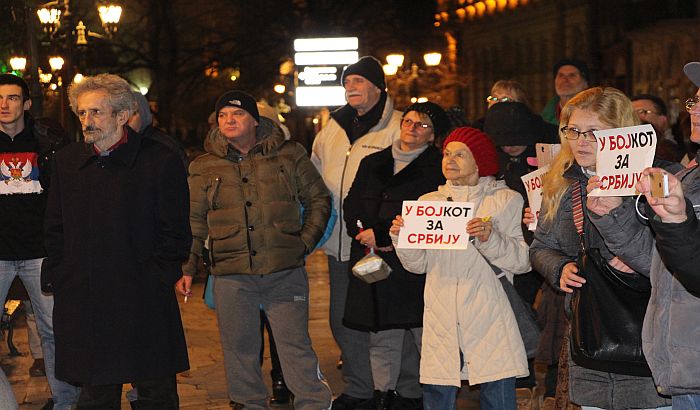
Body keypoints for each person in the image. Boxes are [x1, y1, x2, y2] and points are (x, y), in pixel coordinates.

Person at [41, 73, 192, 409]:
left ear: (122, 116)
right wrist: (64, 275)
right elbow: (55, 226)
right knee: (96, 395)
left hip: (144, 299)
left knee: (156, 391)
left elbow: (176, 231)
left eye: (97, 112)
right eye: (82, 113)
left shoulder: (159, 160)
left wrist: (156, 276)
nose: (87, 120)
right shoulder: (67, 162)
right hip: (88, 299)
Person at [185, 90, 332, 409]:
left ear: (255, 120)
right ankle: (248, 404)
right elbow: (195, 220)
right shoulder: (203, 166)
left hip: (284, 273)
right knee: (239, 350)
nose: (229, 120)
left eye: (236, 114)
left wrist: (303, 243)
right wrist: (188, 266)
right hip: (231, 276)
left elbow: (319, 199)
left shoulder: (289, 154)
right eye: (222, 115)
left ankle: (315, 403)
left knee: (295, 348)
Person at [528, 86, 672, 409]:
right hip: (588, 339)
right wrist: (558, 268)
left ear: (622, 135)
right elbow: (540, 247)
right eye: (574, 130)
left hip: (646, 337)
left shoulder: (659, 178)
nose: (580, 141)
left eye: (594, 133)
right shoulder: (561, 183)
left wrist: (619, 214)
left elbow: (672, 253)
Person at [583, 62, 700, 408]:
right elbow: (659, 263)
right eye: (694, 100)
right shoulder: (692, 178)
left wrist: (678, 221)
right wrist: (614, 214)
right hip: (680, 361)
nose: (694, 109)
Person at [391, 127, 530, 410]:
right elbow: (417, 266)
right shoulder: (429, 203)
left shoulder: (506, 201)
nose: (450, 159)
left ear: (479, 160)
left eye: (460, 154)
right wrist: (400, 237)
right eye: (447, 153)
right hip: (441, 315)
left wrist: (491, 239)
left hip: (489, 313)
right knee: (437, 393)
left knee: (498, 392)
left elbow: (523, 261)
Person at [342, 102, 449, 409]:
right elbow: (352, 203)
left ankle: (420, 394)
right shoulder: (373, 161)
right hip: (372, 257)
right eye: (409, 121)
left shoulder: (437, 166)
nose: (412, 127)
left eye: (422, 125)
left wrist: (387, 234)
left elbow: (435, 210)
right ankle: (384, 393)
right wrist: (361, 230)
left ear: (432, 137)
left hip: (413, 263)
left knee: (420, 328)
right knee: (381, 328)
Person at [311, 56, 402, 409]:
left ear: (378, 87)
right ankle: (360, 386)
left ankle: (395, 388)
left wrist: (383, 229)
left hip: (380, 244)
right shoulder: (332, 128)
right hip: (340, 245)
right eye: (347, 82)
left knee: (386, 318)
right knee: (342, 318)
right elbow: (316, 179)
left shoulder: (396, 126)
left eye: (359, 81)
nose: (350, 87)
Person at [0, 73, 80, 410]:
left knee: (53, 332)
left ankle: (67, 402)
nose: (4, 105)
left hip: (40, 253)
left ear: (27, 103)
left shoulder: (47, 143)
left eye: (12, 98)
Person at [483, 101, 558, 408]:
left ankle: (553, 383)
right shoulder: (493, 159)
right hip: (511, 249)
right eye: (504, 142)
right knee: (517, 316)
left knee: (554, 317)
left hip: (548, 244)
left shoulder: (549, 147)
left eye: (517, 140)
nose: (511, 147)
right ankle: (524, 379)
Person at [631, 94, 684, 162]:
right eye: (630, 114)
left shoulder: (679, 154)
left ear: (662, 119)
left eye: (641, 112)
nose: (634, 118)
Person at [541, 59, 590, 125]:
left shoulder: (598, 112)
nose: (565, 79)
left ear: (585, 83)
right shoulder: (545, 117)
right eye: (561, 75)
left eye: (572, 75)